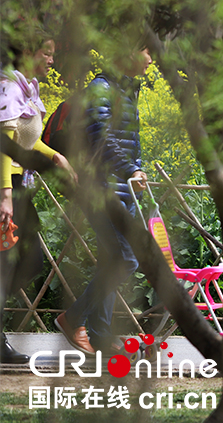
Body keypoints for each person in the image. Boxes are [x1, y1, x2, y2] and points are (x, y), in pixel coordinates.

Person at [55, 47, 150, 355]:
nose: (152, 59)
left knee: (112, 259)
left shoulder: (123, 89)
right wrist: (131, 169)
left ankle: (101, 335)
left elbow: (125, 140)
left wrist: (133, 174)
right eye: (149, 51)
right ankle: (73, 319)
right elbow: (102, 138)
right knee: (126, 259)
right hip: (102, 190)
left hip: (121, 190)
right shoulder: (101, 88)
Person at [1, 37, 77, 364]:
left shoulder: (26, 89)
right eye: (47, 53)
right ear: (28, 53)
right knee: (10, 262)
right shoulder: (8, 88)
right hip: (8, 187)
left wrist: (56, 156)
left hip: (19, 184)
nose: (50, 60)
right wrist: (4, 194)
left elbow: (26, 141)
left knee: (26, 262)